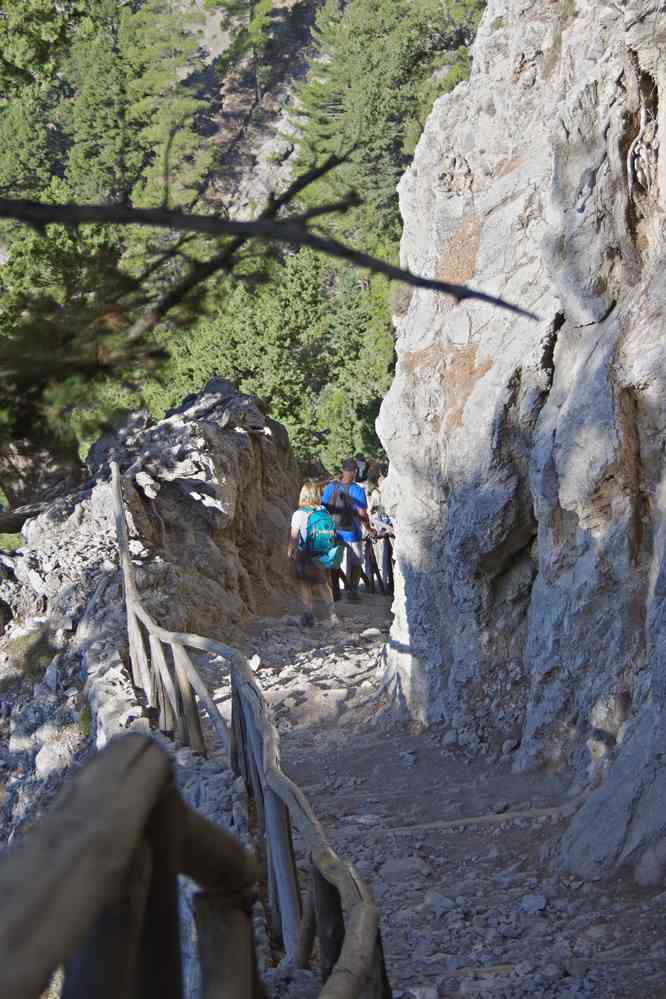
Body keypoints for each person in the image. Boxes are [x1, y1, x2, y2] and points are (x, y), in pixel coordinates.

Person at [288, 480, 340, 628]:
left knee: (305, 584)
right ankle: (333, 615)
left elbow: (294, 536)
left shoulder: (299, 513)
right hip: (322, 553)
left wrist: (290, 551)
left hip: (305, 554)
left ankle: (309, 615)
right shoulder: (323, 510)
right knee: (323, 585)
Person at [322, 459, 372, 602]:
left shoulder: (330, 487)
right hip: (352, 532)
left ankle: (336, 592)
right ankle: (353, 593)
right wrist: (368, 528)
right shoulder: (357, 490)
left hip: (333, 532)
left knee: (334, 562)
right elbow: (363, 514)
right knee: (355, 563)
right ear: (355, 471)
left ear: (342, 471)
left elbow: (324, 510)